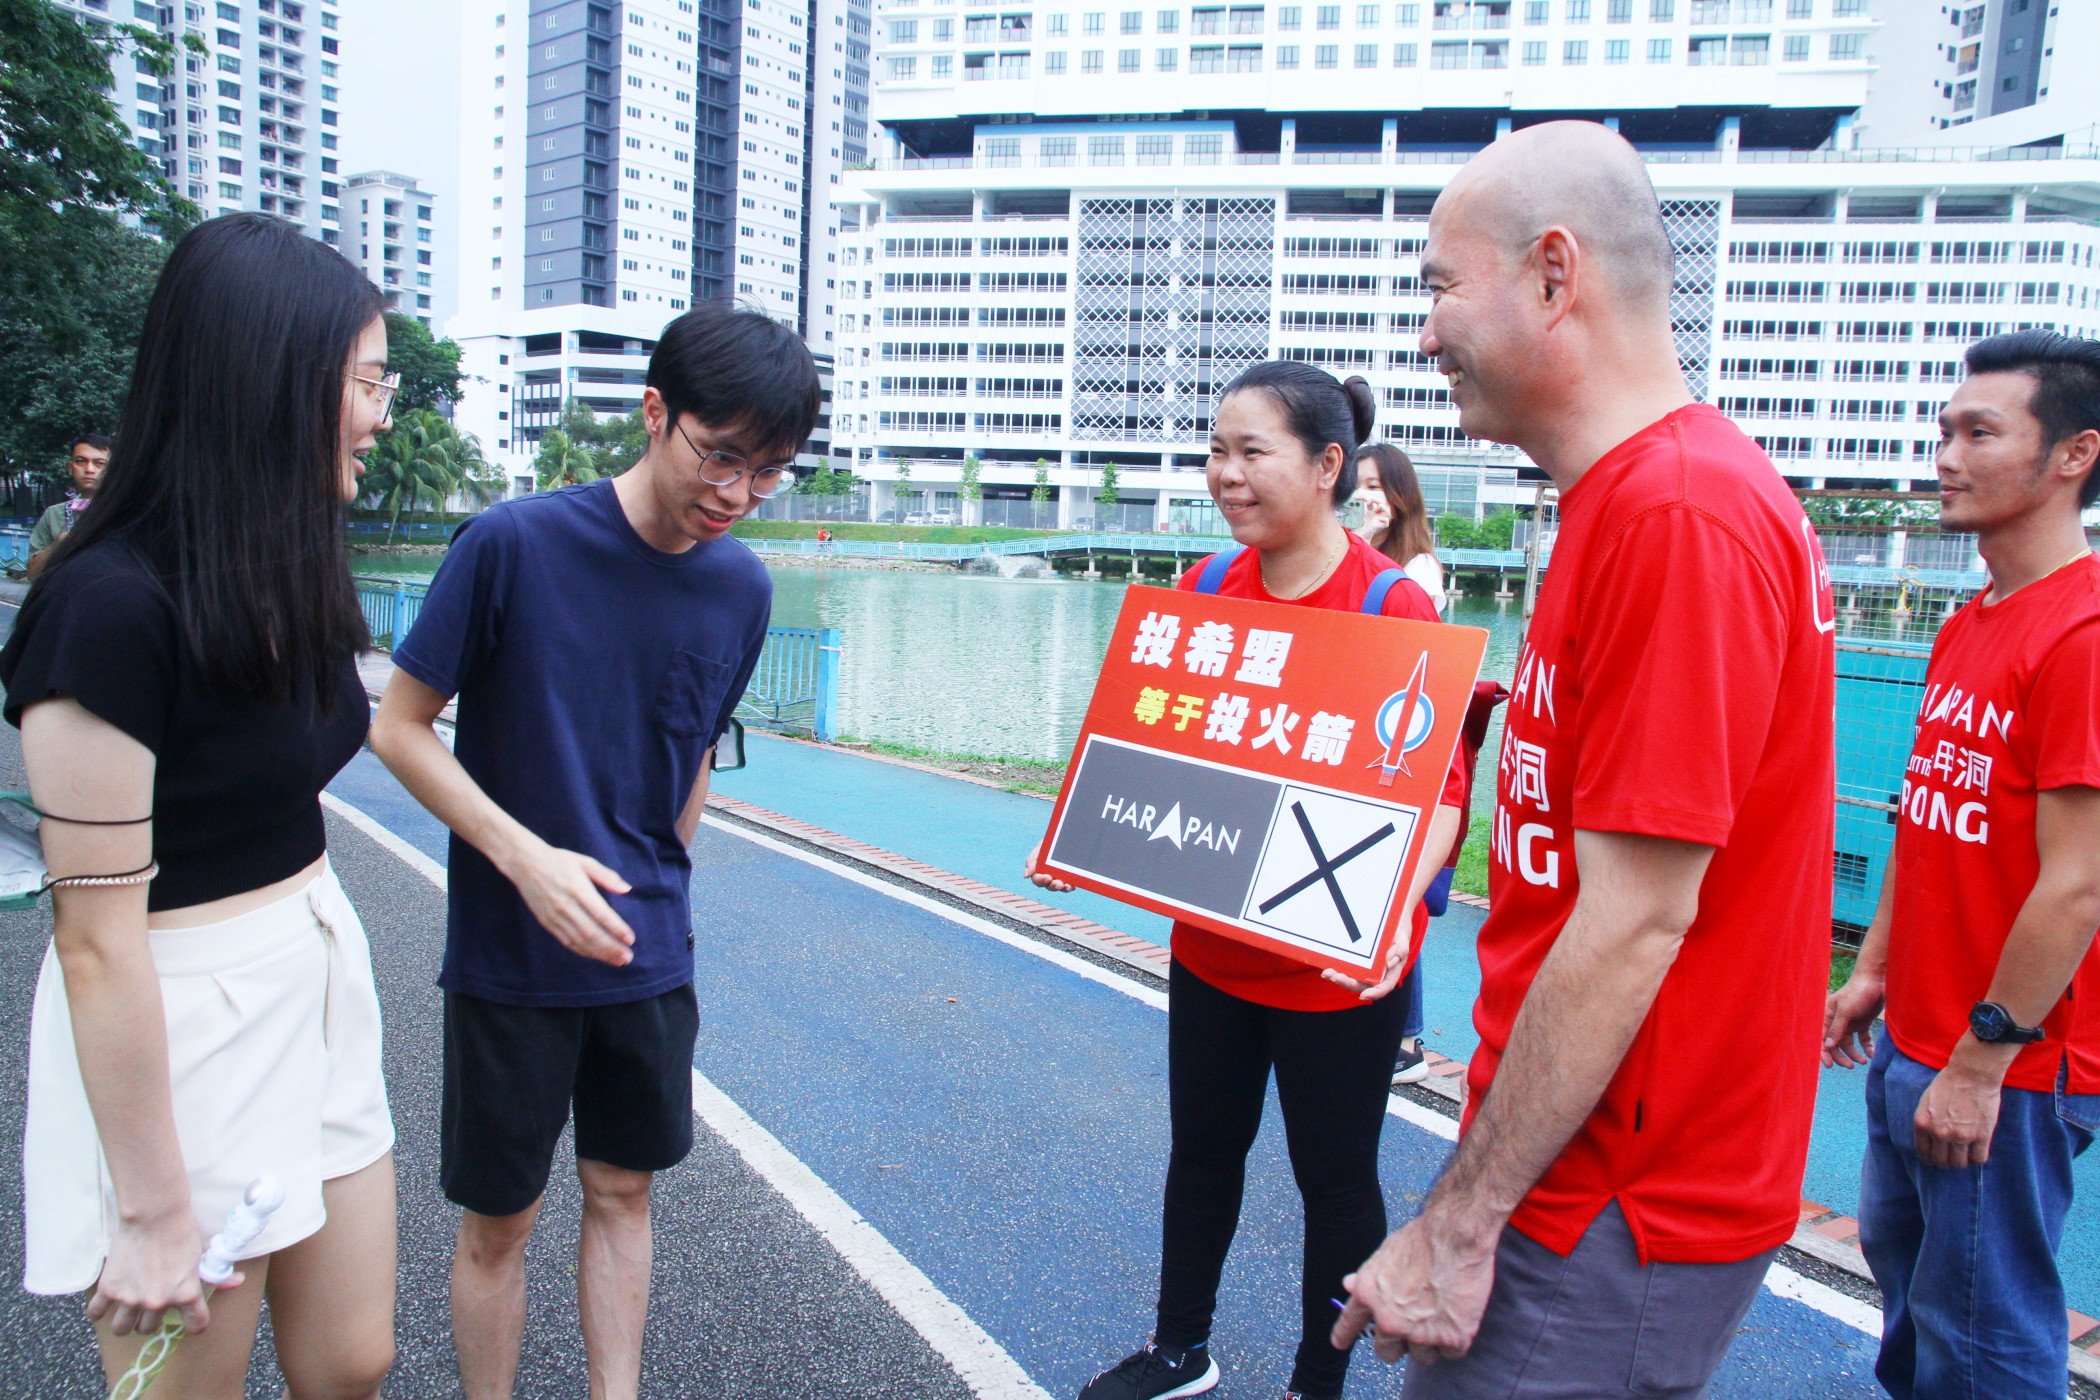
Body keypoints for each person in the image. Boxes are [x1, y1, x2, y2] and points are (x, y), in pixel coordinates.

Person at [1333, 121, 1836, 1398]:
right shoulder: (1628, 498)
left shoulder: (1680, 513)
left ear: (1554, 274)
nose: (1425, 333)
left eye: (1441, 285)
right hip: (1584, 1174)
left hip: (1615, 1197)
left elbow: (1632, 920)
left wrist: (1457, 1222)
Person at [369, 302, 819, 1400]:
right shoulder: (513, 544)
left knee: (625, 1191)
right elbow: (396, 724)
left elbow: (696, 745)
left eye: (768, 473)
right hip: (511, 958)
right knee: (501, 1219)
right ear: (655, 412)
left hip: (649, 957)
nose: (736, 492)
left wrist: (666, 877)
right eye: (721, 455)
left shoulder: (742, 586)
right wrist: (525, 859)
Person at [0, 213, 398, 1398]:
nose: (384, 414)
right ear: (274, 384)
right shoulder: (103, 613)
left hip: (316, 963)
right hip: (176, 1016)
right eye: (369, 382)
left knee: (352, 1358)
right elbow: (96, 940)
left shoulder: (287, 559)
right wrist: (156, 1206)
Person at [1039, 361, 1465, 1400]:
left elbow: (1442, 794)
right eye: (1217, 450)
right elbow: (1145, 740)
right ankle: (1181, 1346)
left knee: (1335, 1180)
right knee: (1203, 1153)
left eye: (1251, 452)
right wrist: (1084, 826)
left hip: (1328, 964)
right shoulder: (1199, 592)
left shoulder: (1389, 602)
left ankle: (1316, 1385)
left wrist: (1400, 907)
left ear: (1328, 466)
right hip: (1216, 946)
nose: (1225, 474)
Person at [1825, 330, 2100, 1400]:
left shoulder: (2079, 633)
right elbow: (1927, 815)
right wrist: (1875, 971)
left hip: (2008, 1061)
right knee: (1911, 1293)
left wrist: (1985, 1061)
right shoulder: (1974, 619)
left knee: (1986, 1335)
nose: (1944, 452)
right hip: (1921, 1032)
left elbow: (2077, 882)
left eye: (1979, 432)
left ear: (2074, 454)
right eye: (1944, 429)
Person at [1351, 442, 1445, 1086]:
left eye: (1379, 486)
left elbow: (1403, 666)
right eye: (1359, 485)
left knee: (1394, 897)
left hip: (1401, 756)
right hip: (1355, 748)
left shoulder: (1417, 573)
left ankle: (1407, 1038)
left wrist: (1364, 543)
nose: (1368, 497)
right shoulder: (1358, 557)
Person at [1352, 442, 1446, 615]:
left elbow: (1408, 630)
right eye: (1352, 486)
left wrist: (1362, 540)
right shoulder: (1330, 549)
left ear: (1400, 495)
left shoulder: (1420, 565)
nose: (1359, 496)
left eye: (1373, 486)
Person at [25, 433, 110, 580]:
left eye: (99, 463)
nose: (89, 469)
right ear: (70, 467)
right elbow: (32, 575)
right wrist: (58, 545)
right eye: (81, 461)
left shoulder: (127, 511)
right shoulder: (53, 515)